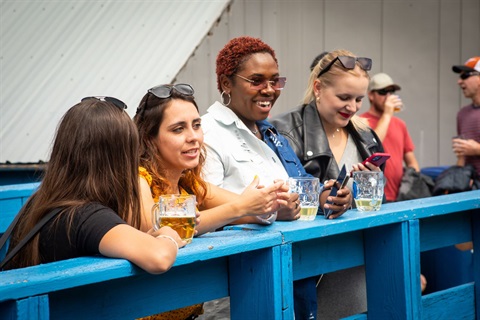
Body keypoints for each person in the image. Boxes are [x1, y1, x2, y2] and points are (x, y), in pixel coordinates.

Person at [201, 36, 352, 320]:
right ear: (225, 83)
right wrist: (268, 212)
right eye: (256, 80)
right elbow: (203, 207)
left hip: (288, 277)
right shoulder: (208, 134)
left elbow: (300, 184)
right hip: (239, 287)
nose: (269, 90)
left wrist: (327, 197)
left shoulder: (270, 132)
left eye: (275, 81)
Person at [133, 83, 288, 320]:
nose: (193, 137)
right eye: (178, 129)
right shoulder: (139, 178)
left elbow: (250, 211)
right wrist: (241, 206)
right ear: (149, 138)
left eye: (196, 125)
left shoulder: (190, 182)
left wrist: (272, 199)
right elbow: (154, 231)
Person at [2, 97, 185, 274]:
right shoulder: (88, 218)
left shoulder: (44, 203)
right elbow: (159, 258)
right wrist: (169, 236)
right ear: (120, 159)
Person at [271, 49, 385, 319]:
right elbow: (276, 197)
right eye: (344, 97)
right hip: (307, 272)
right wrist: (325, 202)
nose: (353, 107)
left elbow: (381, 201)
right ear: (318, 88)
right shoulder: (283, 131)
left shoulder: (365, 134)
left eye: (358, 99)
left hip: (359, 265)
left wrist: (365, 189)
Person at [360, 72, 420, 202]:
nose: (388, 97)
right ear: (371, 95)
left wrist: (411, 186)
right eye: (383, 92)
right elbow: (372, 145)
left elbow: (412, 162)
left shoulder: (400, 124)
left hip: (401, 196)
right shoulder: (361, 122)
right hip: (375, 196)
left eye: (391, 92)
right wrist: (387, 114)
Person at [451, 56, 480, 176]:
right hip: (471, 188)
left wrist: (477, 149)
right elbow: (462, 158)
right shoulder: (462, 114)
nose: (459, 81)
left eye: (465, 76)